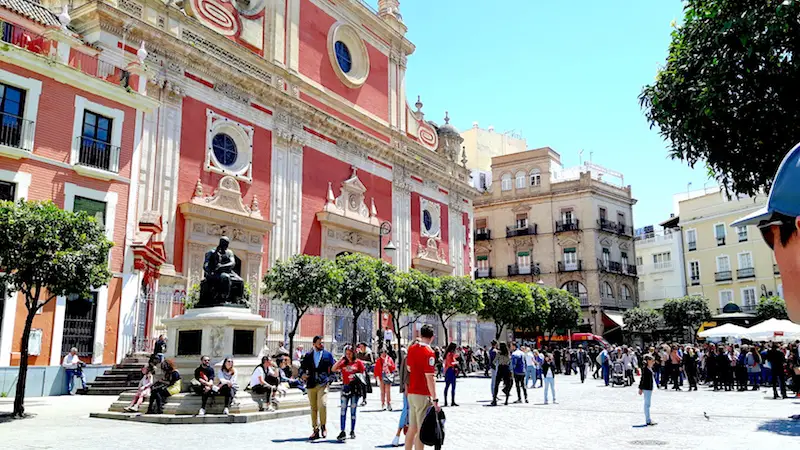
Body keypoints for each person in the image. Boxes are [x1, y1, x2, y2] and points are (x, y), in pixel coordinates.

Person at [404, 324, 439, 450]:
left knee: (412, 428)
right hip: (422, 393)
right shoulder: (429, 352)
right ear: (432, 337)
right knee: (421, 430)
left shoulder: (412, 348)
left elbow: (409, 368)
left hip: (412, 392)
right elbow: (430, 377)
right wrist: (435, 398)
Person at [300, 335, 336, 440]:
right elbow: (302, 368)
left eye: (323, 342)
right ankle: (315, 430)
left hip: (323, 383)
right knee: (313, 408)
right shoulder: (308, 355)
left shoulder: (327, 355)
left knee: (322, 405)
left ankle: (323, 426)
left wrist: (330, 379)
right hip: (311, 384)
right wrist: (302, 374)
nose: (322, 344)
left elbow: (333, 368)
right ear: (314, 344)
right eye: (320, 343)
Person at [332, 345, 366, 441]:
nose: (348, 355)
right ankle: (342, 431)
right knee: (343, 410)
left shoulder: (358, 363)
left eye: (350, 353)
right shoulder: (343, 362)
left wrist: (356, 377)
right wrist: (340, 360)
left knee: (353, 410)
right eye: (346, 353)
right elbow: (333, 369)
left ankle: (352, 430)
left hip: (355, 389)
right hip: (345, 388)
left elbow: (363, 375)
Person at [391, 345, 411, 448]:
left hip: (415, 389)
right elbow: (406, 375)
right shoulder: (408, 358)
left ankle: (408, 435)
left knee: (410, 412)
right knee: (406, 410)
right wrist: (406, 387)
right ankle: (398, 433)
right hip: (410, 389)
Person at [639, 354, 656, 426]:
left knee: (648, 404)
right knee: (647, 404)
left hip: (649, 387)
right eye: (652, 361)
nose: (653, 362)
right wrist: (640, 388)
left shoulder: (649, 368)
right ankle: (648, 420)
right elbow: (642, 379)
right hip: (646, 388)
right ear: (648, 361)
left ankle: (648, 419)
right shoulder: (645, 369)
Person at [356, 342, 375, 407]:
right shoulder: (358, 354)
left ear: (365, 347)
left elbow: (372, 362)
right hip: (358, 372)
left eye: (362, 347)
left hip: (365, 372)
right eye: (360, 347)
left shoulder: (368, 353)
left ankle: (364, 399)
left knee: (364, 385)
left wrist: (364, 362)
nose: (361, 348)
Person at [442, 343, 459, 407]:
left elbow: (455, 356)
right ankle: (450, 401)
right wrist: (456, 362)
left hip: (449, 371)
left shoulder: (449, 354)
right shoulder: (449, 354)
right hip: (450, 371)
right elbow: (450, 363)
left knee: (449, 386)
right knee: (450, 386)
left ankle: (449, 401)